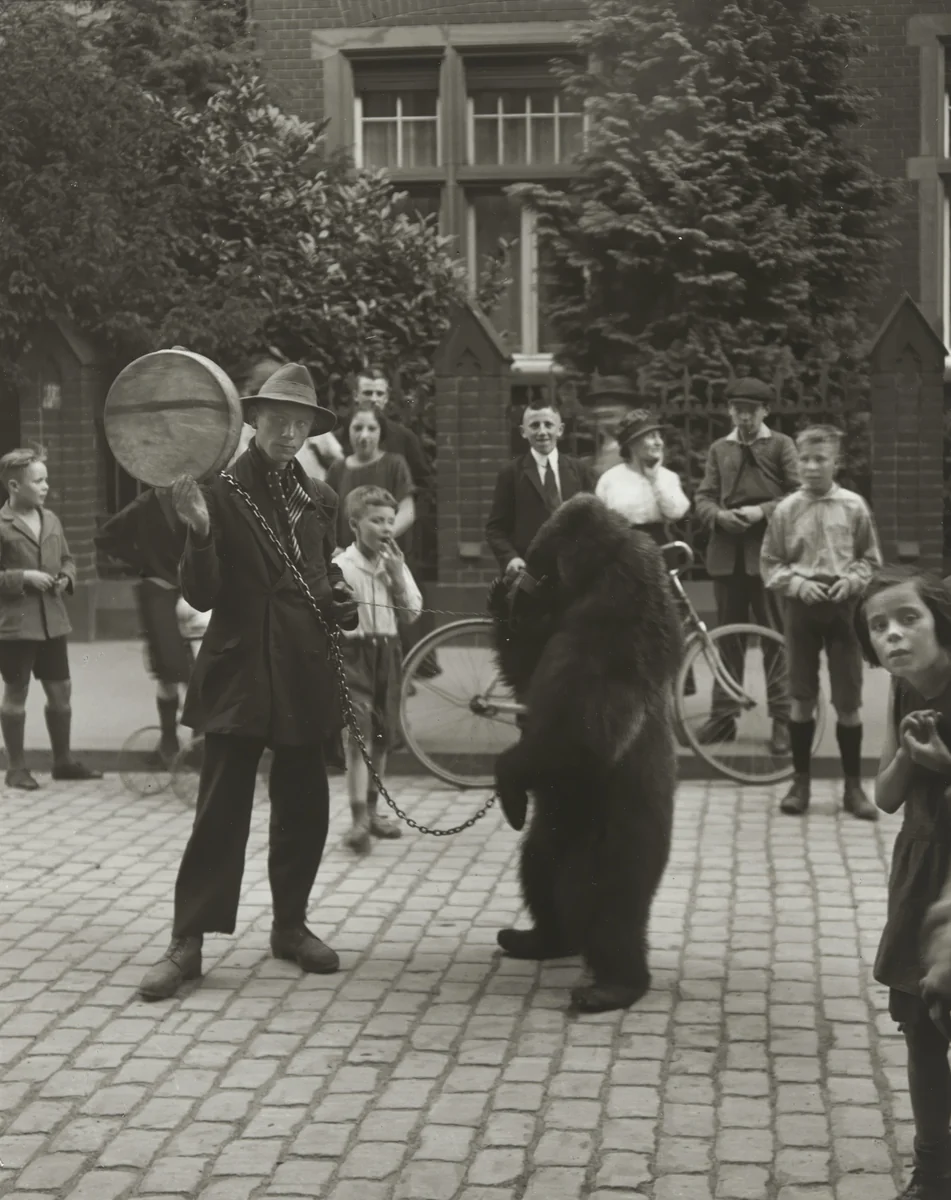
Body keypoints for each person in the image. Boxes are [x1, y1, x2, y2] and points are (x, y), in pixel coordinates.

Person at [137, 362, 359, 1003]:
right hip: (238, 671)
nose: (289, 432)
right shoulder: (219, 492)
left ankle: (290, 927)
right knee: (220, 811)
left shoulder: (321, 500)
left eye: (301, 423)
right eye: (278, 420)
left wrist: (339, 599)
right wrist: (200, 532)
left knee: (304, 807)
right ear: (253, 421)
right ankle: (188, 943)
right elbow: (201, 593)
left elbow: (324, 576)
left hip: (303, 669)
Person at [855, 565, 951, 1199]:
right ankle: (934, 1169)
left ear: (939, 621)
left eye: (907, 618)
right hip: (922, 866)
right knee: (920, 1024)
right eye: (878, 626)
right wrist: (907, 757)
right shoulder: (898, 690)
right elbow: (885, 797)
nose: (893, 635)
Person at [761, 424, 881, 818]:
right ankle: (800, 782)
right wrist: (796, 583)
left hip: (843, 610)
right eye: (805, 460)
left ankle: (853, 787)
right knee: (801, 696)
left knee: (848, 699)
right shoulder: (786, 510)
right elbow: (771, 563)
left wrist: (852, 579)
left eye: (820, 459)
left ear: (836, 463)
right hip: (801, 610)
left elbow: (869, 559)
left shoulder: (853, 507)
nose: (811, 467)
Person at [694, 377, 799, 755]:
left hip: (768, 555)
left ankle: (784, 721)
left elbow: (798, 494)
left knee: (775, 639)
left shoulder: (781, 445)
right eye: (738, 410)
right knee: (728, 639)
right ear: (729, 410)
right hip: (727, 557)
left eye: (751, 411)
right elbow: (703, 496)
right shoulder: (720, 448)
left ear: (765, 411)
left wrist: (761, 512)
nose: (744, 417)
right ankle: (723, 718)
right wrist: (718, 517)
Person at [0, 448, 103, 790]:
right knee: (16, 694)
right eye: (38, 480)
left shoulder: (52, 519)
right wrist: (24, 578)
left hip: (53, 623)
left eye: (46, 479)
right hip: (16, 627)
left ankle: (63, 762)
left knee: (61, 693)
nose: (46, 486)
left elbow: (70, 559)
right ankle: (16, 768)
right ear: (14, 486)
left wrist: (67, 578)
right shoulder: (2, 525)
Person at [334, 485, 422, 853]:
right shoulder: (341, 565)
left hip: (388, 653)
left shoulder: (395, 564)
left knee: (382, 737)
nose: (386, 528)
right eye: (376, 521)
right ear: (355, 524)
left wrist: (397, 577)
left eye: (390, 521)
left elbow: (413, 612)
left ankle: (372, 811)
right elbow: (331, 614)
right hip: (354, 656)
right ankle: (357, 821)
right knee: (359, 738)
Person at [95, 488, 192, 763]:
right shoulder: (145, 504)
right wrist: (144, 564)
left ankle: (199, 741)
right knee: (169, 667)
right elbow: (106, 537)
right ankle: (169, 740)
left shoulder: (202, 496)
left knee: (200, 663)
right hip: (159, 591)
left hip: (194, 590)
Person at [485, 396, 598, 577]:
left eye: (548, 425)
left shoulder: (579, 470)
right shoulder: (512, 473)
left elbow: (594, 522)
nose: (542, 431)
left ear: (560, 430)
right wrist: (510, 558)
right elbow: (495, 529)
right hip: (530, 571)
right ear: (523, 432)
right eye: (535, 425)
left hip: (574, 571)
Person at [326, 402, 416, 554]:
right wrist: (332, 547)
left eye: (372, 428)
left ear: (381, 431)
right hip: (347, 560)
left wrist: (379, 537)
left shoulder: (394, 464)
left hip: (386, 556)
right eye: (357, 428)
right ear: (348, 430)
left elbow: (408, 511)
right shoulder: (338, 469)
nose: (364, 435)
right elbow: (323, 516)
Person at [595, 408, 690, 544]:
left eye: (659, 436)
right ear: (633, 443)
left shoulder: (667, 477)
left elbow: (676, 513)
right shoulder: (610, 479)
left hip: (659, 546)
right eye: (652, 437)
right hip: (621, 547)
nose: (659, 443)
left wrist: (654, 479)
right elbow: (598, 524)